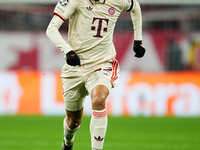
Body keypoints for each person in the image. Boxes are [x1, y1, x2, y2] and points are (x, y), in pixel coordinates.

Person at [46, 0, 145, 149]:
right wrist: (68, 51)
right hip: (75, 67)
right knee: (73, 121)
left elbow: (135, 6)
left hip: (102, 64)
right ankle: (68, 141)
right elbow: (51, 29)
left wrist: (138, 41)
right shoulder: (74, 1)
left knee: (99, 99)